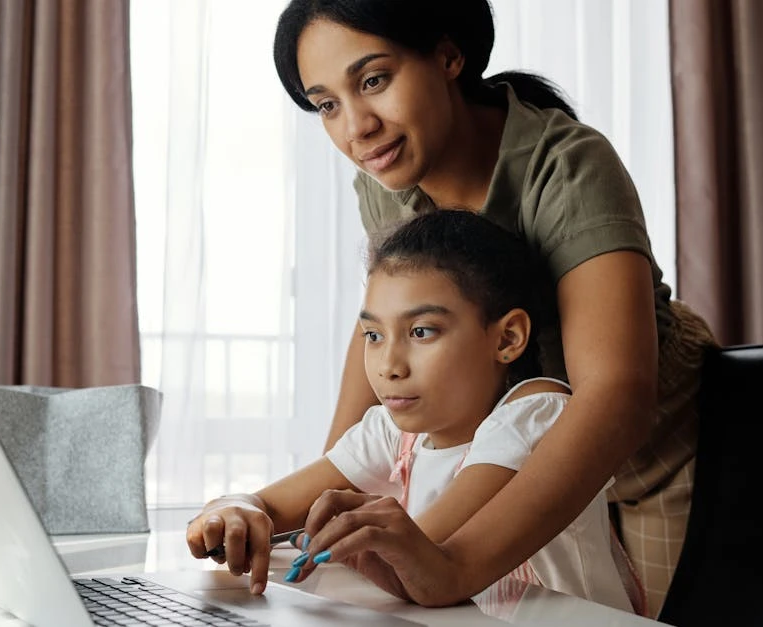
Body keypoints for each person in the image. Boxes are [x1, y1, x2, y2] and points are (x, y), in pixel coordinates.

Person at [267, 0, 718, 616]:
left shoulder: (567, 167)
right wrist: (323, 508)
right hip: (506, 455)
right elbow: (380, 325)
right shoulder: (383, 179)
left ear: (450, 55)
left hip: (648, 455)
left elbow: (614, 394)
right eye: (327, 104)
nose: (356, 127)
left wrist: (452, 565)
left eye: (373, 80)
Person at [186, 210, 641, 613]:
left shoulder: (536, 414)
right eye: (373, 335)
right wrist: (234, 511)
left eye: (422, 331)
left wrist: (334, 537)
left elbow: (424, 556)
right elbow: (270, 504)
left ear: (506, 338)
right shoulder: (394, 433)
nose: (388, 366)